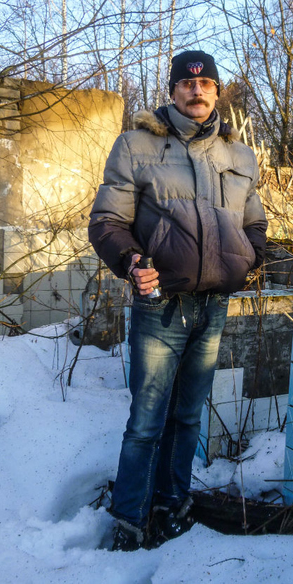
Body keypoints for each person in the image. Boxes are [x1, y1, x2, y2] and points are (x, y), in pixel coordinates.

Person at [88, 50, 268, 551]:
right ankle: (128, 519)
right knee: (146, 420)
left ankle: (173, 503)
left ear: (217, 91)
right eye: (187, 84)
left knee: (189, 415)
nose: (197, 91)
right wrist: (132, 263)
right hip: (160, 305)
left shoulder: (239, 155)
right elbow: (106, 222)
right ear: (172, 91)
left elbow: (255, 222)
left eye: (207, 83)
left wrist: (248, 259)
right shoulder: (136, 145)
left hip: (213, 306)